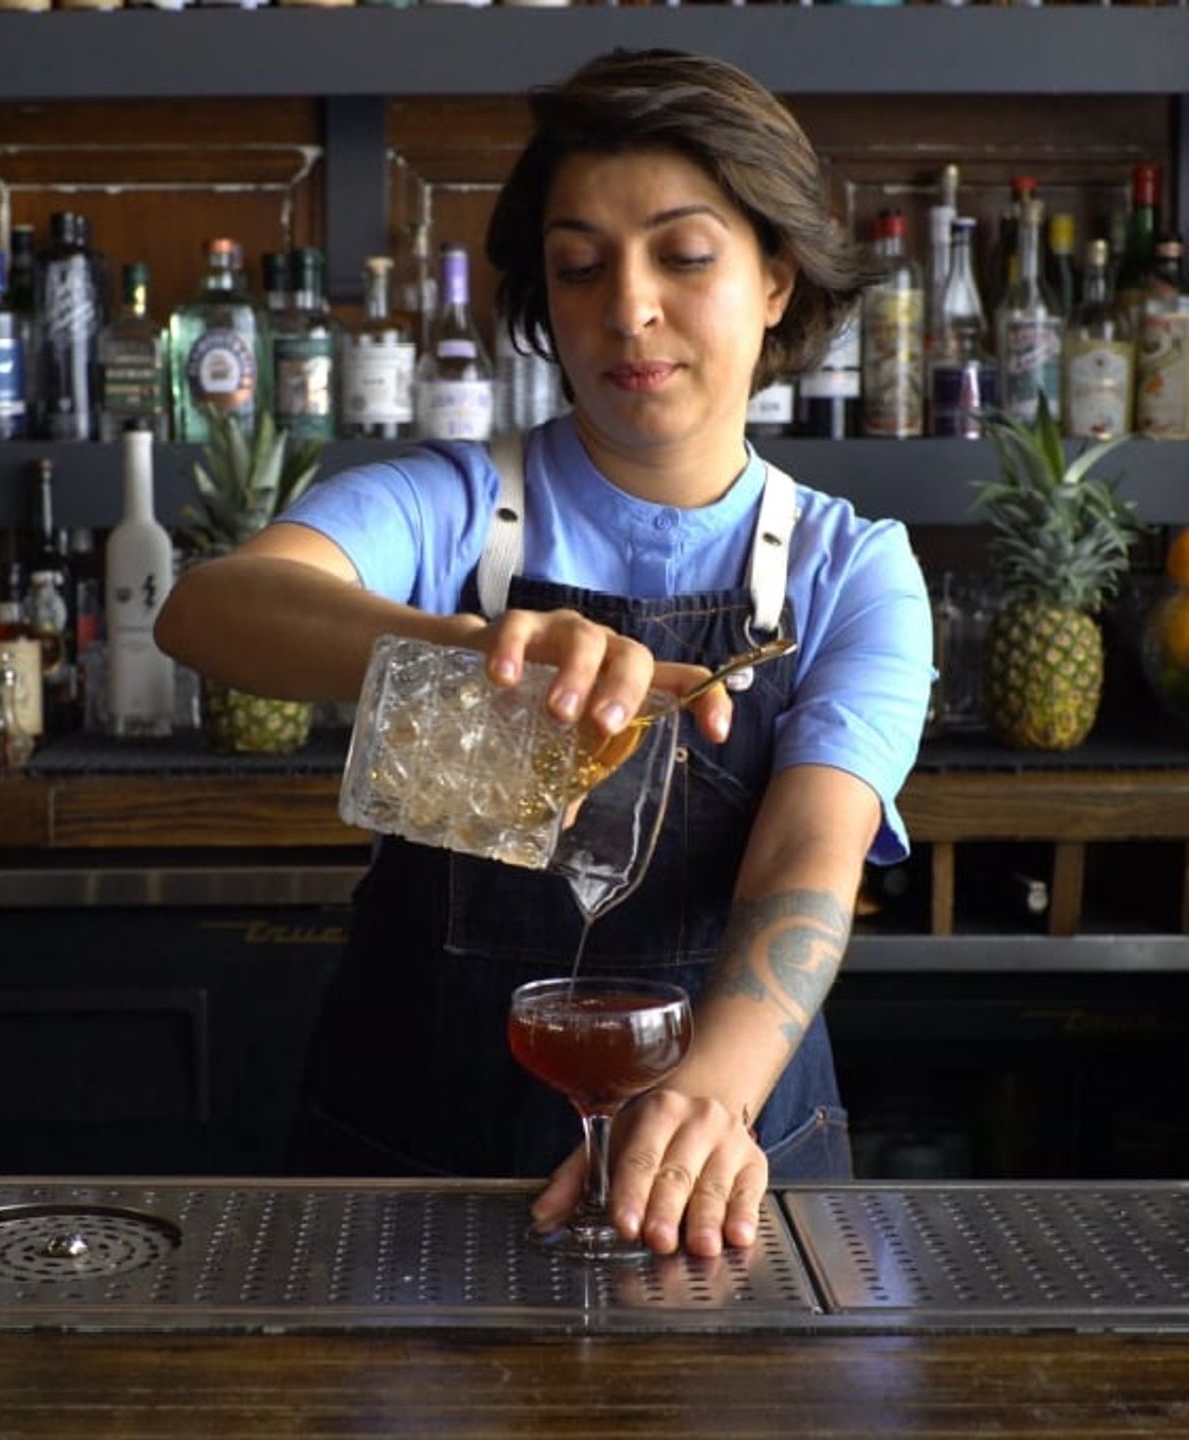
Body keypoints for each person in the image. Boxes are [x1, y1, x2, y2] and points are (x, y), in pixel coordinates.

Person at [155, 48, 933, 1260]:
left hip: (718, 1178)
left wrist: (708, 1097)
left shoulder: (851, 568)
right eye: (580, 266)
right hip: (413, 1167)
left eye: (683, 256)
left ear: (776, 280)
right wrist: (470, 646)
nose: (628, 307)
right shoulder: (454, 510)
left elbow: (809, 853)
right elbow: (210, 609)